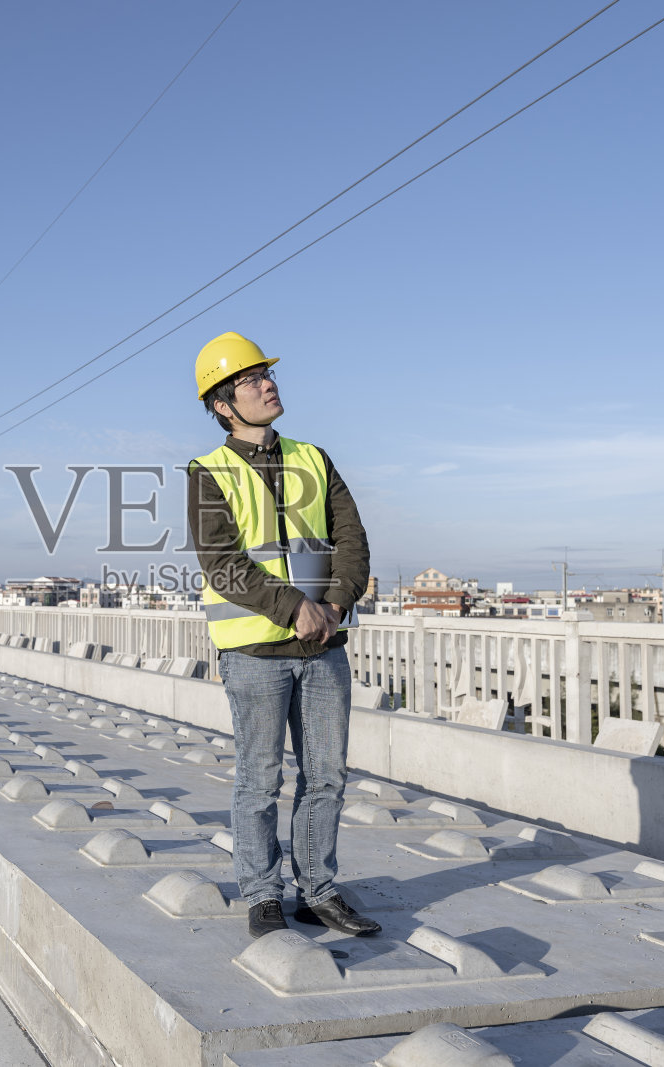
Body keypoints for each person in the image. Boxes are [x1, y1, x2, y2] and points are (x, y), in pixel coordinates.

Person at [186, 331, 379, 940]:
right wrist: (297, 606)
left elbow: (353, 539)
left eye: (266, 375)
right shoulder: (207, 472)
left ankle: (317, 891)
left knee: (327, 776)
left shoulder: (314, 459)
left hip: (323, 647)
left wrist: (337, 601)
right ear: (222, 404)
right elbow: (223, 563)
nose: (267, 384)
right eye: (249, 380)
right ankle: (263, 893)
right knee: (259, 778)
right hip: (253, 651)